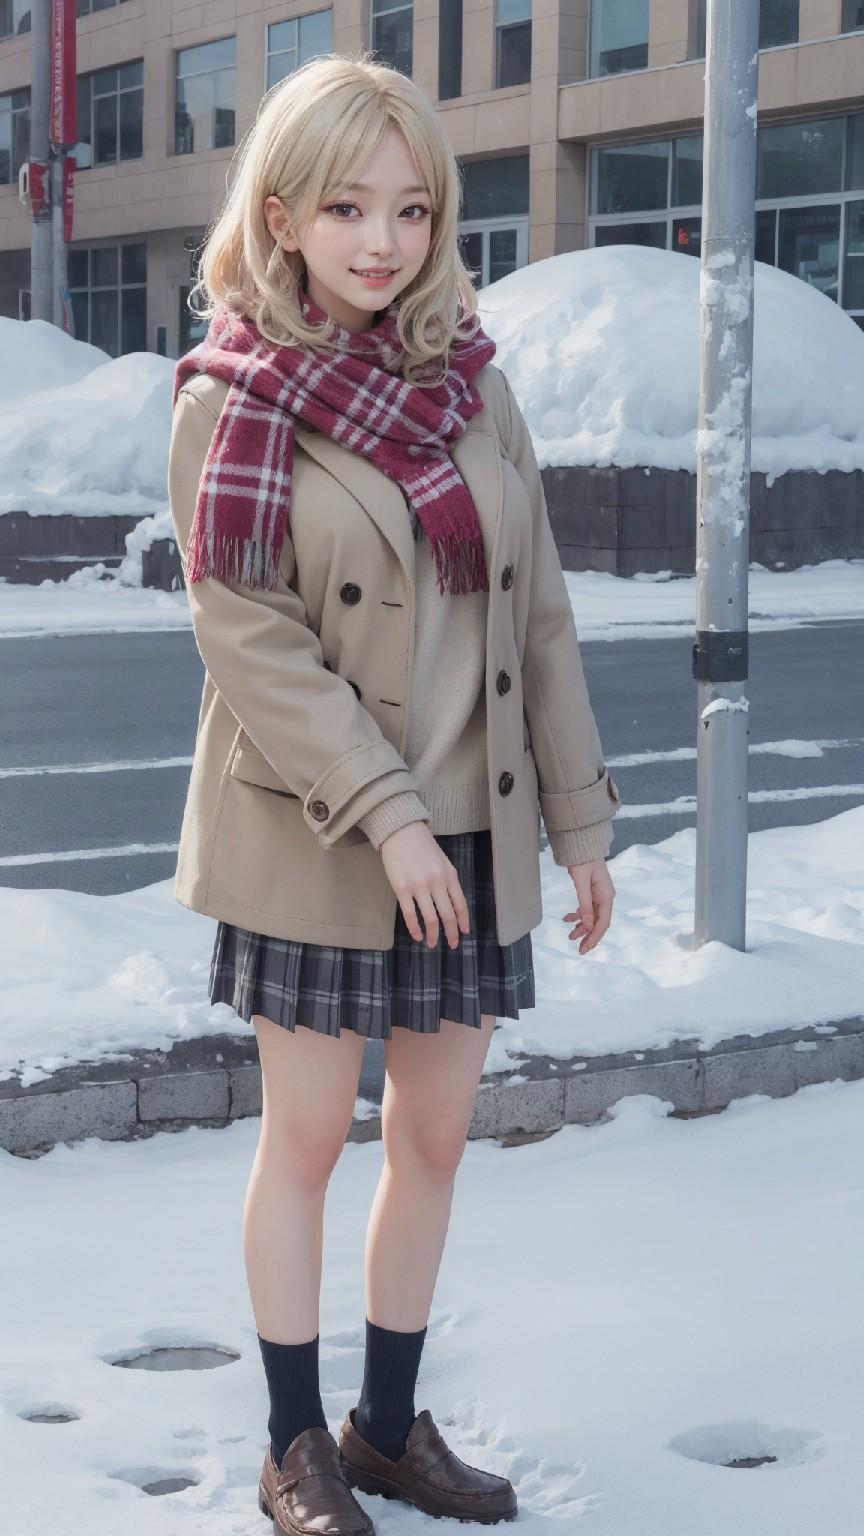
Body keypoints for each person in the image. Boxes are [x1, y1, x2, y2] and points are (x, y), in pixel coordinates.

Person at [167, 50, 621, 1536]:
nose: (382, 242)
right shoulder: (233, 399)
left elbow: (537, 613)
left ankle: (384, 1427)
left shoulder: (471, 380)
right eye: (348, 207)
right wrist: (389, 813)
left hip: (473, 823)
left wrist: (580, 820)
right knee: (305, 1141)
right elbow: (247, 636)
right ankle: (293, 1444)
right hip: (318, 829)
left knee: (429, 1142)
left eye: (412, 210)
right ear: (282, 214)